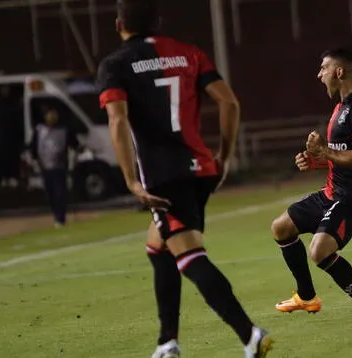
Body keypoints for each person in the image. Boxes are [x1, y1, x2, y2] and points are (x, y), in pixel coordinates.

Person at [96, 1, 273, 357]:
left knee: (189, 255)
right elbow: (230, 103)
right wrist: (223, 156)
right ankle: (168, 342)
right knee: (158, 247)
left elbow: (117, 121)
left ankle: (250, 335)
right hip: (200, 169)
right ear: (157, 22)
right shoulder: (189, 53)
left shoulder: (114, 65)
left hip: (163, 178)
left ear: (119, 25)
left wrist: (131, 181)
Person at [270, 48, 352, 323]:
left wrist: (324, 152)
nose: (319, 74)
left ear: (339, 72)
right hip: (331, 193)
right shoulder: (341, 108)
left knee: (319, 250)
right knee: (281, 227)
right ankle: (307, 297)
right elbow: (343, 154)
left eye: (323, 68)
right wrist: (316, 162)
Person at [30, 107, 79, 227]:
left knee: (59, 192)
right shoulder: (39, 130)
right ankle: (56, 214)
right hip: (45, 167)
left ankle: (60, 217)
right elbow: (34, 148)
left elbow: (75, 143)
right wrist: (36, 161)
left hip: (59, 167)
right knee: (50, 194)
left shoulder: (63, 130)